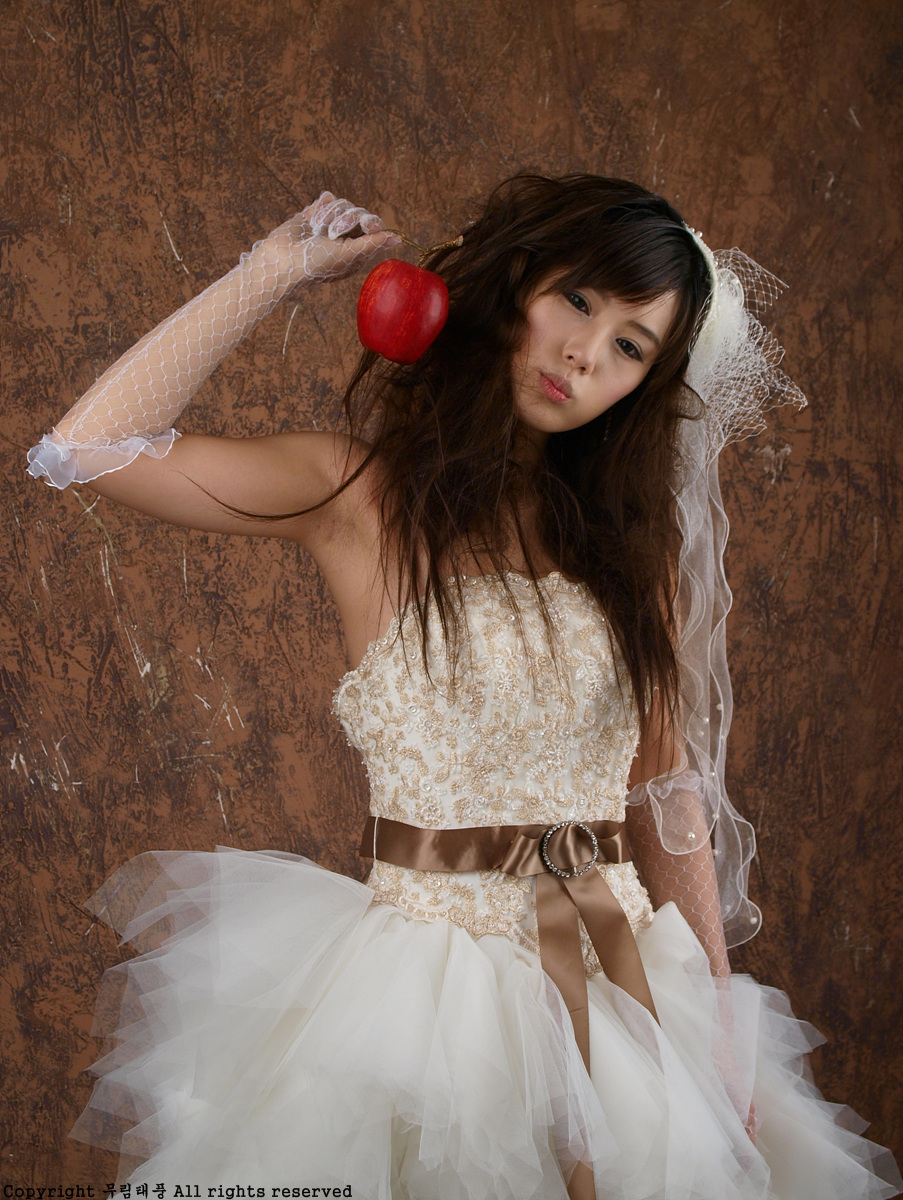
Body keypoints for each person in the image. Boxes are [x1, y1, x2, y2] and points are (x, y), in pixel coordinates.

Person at [27, 177, 902, 1200]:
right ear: (515, 284)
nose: (585, 354)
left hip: (627, 988)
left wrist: (716, 1015)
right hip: (425, 1005)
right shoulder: (357, 497)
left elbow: (667, 793)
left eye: (630, 346)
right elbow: (82, 450)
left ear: (644, 384)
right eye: (578, 301)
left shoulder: (633, 557)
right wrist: (269, 275)